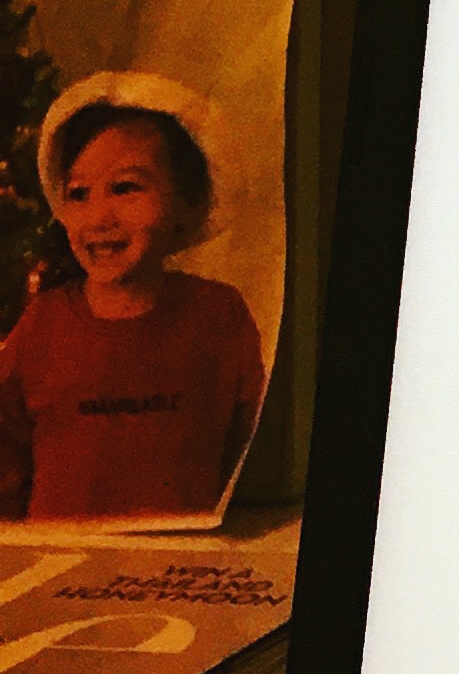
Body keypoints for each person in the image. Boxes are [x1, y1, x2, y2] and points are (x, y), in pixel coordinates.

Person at [0, 79, 267, 523]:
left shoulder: (218, 315)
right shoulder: (44, 323)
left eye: (125, 188)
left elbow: (251, 447)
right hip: (59, 552)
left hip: (184, 554)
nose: (99, 217)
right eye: (79, 193)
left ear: (185, 203)